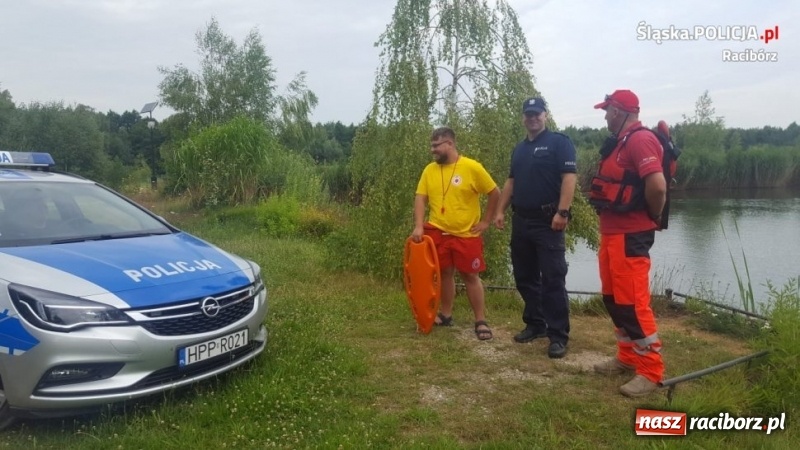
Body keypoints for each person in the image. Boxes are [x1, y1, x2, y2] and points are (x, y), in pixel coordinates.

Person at [590, 89, 667, 397]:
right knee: (613, 299)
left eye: (607, 111)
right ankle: (626, 356)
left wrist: (654, 216)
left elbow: (657, 187)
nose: (605, 117)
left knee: (633, 304)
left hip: (630, 236)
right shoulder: (620, 142)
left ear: (618, 112)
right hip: (612, 234)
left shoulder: (640, 140)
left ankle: (650, 370)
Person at [493, 97, 577, 359]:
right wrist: (500, 210)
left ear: (545, 115)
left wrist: (562, 212)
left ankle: (558, 335)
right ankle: (535, 323)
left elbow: (569, 178)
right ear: (523, 118)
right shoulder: (519, 149)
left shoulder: (559, 143)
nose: (532, 118)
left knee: (553, 279)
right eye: (528, 114)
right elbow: (511, 182)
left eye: (537, 114)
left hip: (548, 221)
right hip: (521, 220)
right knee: (525, 277)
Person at [412, 127, 500, 340]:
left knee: (470, 276)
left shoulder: (471, 167)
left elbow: (494, 192)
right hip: (438, 231)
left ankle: (480, 320)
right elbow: (420, 198)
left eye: (436, 146)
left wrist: (486, 221)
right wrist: (419, 225)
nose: (433, 150)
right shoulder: (429, 170)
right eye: (432, 146)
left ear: (450, 144)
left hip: (466, 234)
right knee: (444, 273)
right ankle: (446, 314)